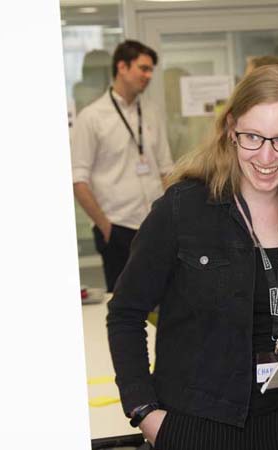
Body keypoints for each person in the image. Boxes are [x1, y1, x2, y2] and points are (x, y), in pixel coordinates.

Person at [107, 65, 278, 450]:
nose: (267, 156)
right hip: (197, 426)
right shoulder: (183, 209)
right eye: (252, 137)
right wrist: (145, 413)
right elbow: (125, 312)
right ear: (230, 129)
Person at [71, 40, 173, 292]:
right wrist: (105, 226)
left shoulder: (151, 113)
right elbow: (77, 179)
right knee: (123, 306)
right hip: (117, 227)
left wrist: (172, 218)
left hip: (153, 225)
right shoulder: (92, 117)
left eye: (151, 70)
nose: (148, 76)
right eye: (143, 68)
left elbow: (166, 170)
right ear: (122, 67)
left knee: (163, 298)